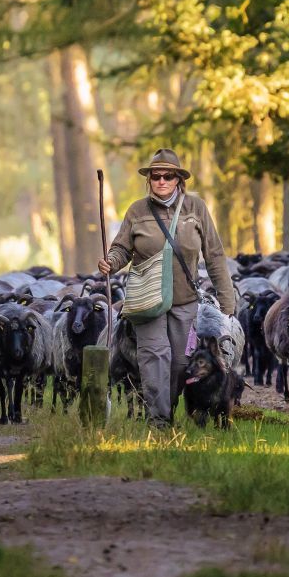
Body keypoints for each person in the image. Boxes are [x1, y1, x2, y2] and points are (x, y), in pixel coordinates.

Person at [98, 148, 235, 427]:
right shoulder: (137, 211)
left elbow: (215, 255)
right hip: (147, 301)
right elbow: (122, 248)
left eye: (167, 176)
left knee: (181, 364)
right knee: (153, 357)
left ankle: (168, 410)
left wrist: (227, 300)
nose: (161, 181)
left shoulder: (196, 209)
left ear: (178, 180)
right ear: (149, 180)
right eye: (155, 176)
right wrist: (111, 262)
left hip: (185, 301)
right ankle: (158, 421)